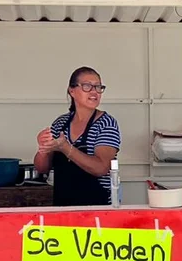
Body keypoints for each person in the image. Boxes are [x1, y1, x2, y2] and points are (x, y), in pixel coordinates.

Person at [33, 67, 122, 207]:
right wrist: (43, 148)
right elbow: (42, 168)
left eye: (98, 87)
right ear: (72, 91)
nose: (94, 92)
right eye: (87, 86)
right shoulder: (60, 124)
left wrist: (66, 148)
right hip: (63, 206)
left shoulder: (106, 123)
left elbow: (101, 168)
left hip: (99, 208)